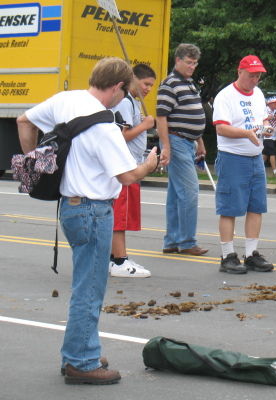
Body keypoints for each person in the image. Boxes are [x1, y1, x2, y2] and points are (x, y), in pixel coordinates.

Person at [16, 57, 159, 384]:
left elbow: (24, 121)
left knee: (86, 284)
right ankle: (81, 361)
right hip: (94, 210)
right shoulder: (105, 127)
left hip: (70, 206)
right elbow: (126, 176)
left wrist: (34, 164)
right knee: (89, 289)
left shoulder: (66, 100)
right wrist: (149, 165)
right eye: (126, 92)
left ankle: (82, 349)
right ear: (119, 88)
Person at [212, 55, 275, 274]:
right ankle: (227, 255)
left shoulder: (258, 94)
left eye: (258, 76)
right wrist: (246, 134)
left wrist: (266, 126)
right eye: (251, 75)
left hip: (255, 156)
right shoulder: (225, 96)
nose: (255, 80)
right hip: (233, 156)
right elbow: (221, 128)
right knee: (229, 208)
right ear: (240, 72)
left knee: (256, 206)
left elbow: (264, 118)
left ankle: (251, 254)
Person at [156, 43, 208, 256]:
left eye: (195, 63)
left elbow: (193, 114)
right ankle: (187, 241)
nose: (192, 66)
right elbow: (161, 117)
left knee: (177, 194)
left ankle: (172, 241)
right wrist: (166, 147)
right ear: (177, 60)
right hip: (176, 141)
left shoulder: (189, 83)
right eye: (189, 62)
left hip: (188, 141)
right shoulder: (169, 84)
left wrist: (200, 142)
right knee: (189, 191)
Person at [109, 64, 156, 278]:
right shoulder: (125, 103)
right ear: (133, 79)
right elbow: (120, 136)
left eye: (151, 86)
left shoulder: (132, 103)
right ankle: (119, 260)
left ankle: (115, 257)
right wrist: (145, 125)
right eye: (146, 84)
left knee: (124, 216)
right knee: (120, 216)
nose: (148, 89)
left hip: (132, 165)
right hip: (125, 167)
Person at [263, 97, 276, 176]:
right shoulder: (265, 110)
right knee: (272, 153)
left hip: (274, 136)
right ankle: (275, 171)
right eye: (274, 103)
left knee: (265, 154)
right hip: (267, 135)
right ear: (270, 103)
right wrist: (269, 117)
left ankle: (258, 169)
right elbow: (262, 119)